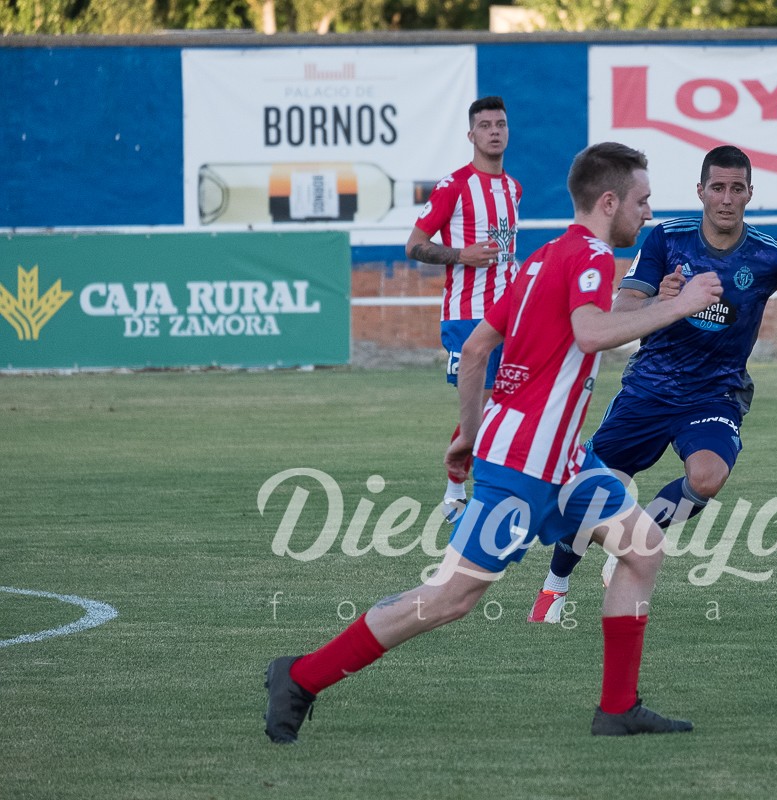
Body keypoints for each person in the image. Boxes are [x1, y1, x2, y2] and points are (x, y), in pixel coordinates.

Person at [264, 142, 724, 743]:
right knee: (451, 597)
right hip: (525, 465)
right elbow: (589, 334)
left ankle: (617, 708)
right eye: (641, 200)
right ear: (608, 201)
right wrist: (683, 305)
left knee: (642, 550)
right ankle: (300, 676)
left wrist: (471, 433)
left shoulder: (543, 259)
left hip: (560, 460)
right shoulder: (588, 256)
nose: (647, 211)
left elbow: (480, 347)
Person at [528, 144, 777, 624]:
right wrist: (664, 298)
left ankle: (632, 545)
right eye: (717, 187)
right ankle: (555, 587)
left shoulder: (769, 254)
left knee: (707, 476)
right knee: (595, 495)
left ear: (749, 194)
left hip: (716, 392)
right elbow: (622, 314)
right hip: (649, 388)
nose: (726, 198)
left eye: (736, 188)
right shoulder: (665, 241)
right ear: (701, 191)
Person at [406, 95, 522, 523]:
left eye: (501, 124)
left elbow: (508, 254)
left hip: (510, 316)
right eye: (486, 125)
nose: (495, 131)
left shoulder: (513, 188)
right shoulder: (454, 185)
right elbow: (414, 245)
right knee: (483, 406)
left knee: (507, 404)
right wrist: (461, 255)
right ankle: (457, 485)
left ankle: (493, 489)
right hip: (467, 315)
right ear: (471, 135)